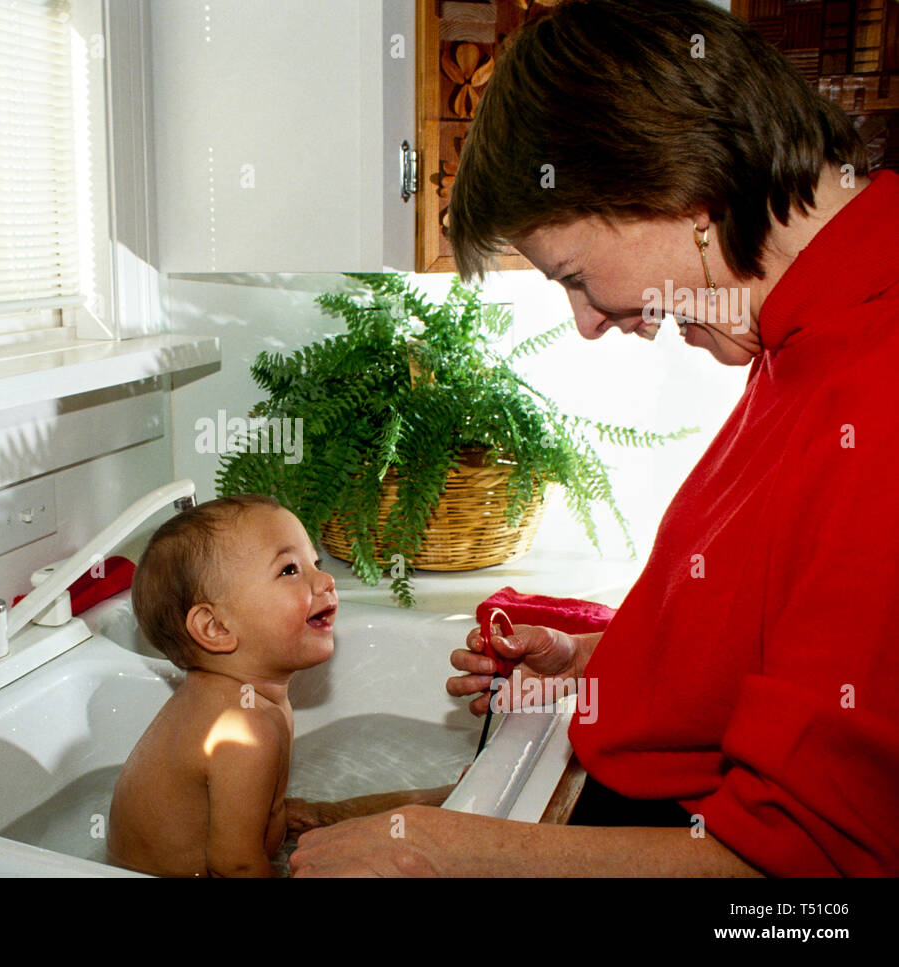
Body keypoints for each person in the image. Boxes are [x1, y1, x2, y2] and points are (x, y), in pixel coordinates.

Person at [290, 0, 899, 877]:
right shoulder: (796, 331)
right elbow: (777, 633)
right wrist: (593, 660)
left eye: (574, 276)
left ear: (674, 188)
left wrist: (447, 847)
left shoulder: (875, 384)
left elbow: (797, 890)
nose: (585, 321)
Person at [107, 494, 340, 876]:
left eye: (315, 562)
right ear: (215, 628)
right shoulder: (244, 726)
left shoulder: (237, 698)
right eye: (289, 570)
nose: (326, 580)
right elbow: (235, 866)